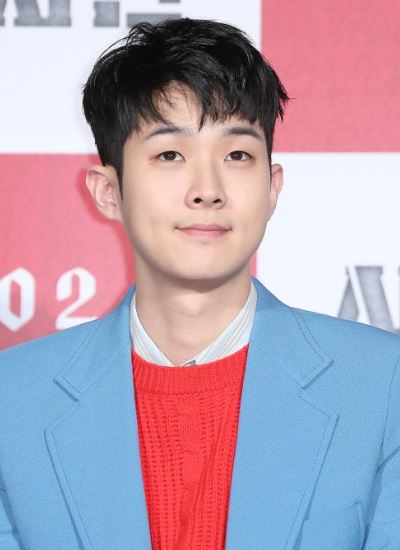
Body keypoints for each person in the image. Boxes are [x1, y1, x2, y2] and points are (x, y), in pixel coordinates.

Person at [0, 17, 399, 550]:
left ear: (272, 187)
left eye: (237, 155)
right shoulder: (12, 401)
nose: (207, 189)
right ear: (108, 191)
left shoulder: (383, 385)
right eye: (170, 155)